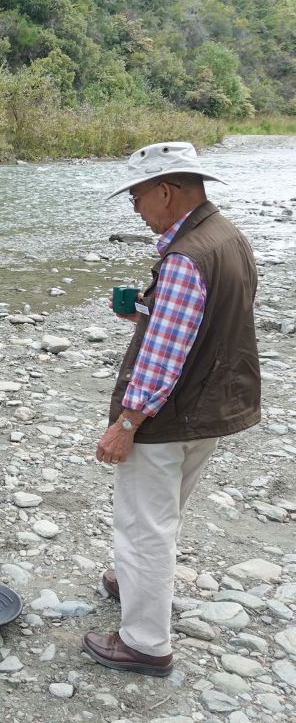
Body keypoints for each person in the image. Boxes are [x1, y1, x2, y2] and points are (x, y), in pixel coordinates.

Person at [84, 142, 260, 677]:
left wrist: (127, 423)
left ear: (166, 190)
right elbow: (205, 323)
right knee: (165, 512)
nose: (135, 207)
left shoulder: (185, 256)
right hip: (212, 405)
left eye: (137, 196)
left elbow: (163, 361)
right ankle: (131, 581)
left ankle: (144, 642)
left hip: (169, 416)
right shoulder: (228, 237)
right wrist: (144, 310)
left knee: (144, 526)